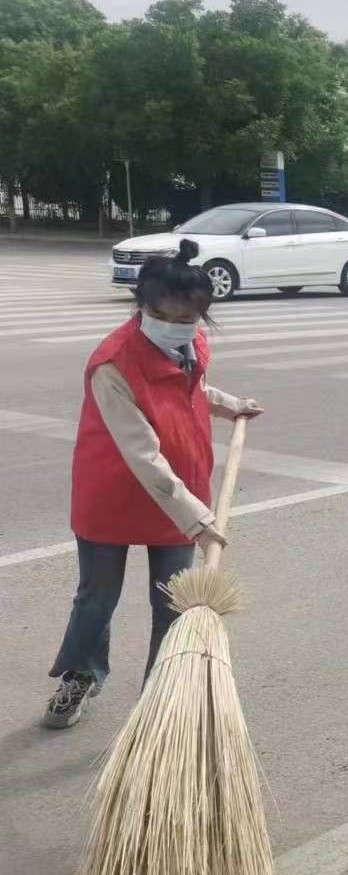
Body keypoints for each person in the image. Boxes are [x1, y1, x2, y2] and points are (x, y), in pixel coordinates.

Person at [43, 240, 263, 729]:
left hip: (180, 494)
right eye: (165, 316)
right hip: (115, 494)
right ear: (142, 305)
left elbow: (190, 389)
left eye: (188, 319)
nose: (177, 326)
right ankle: (81, 674)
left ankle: (159, 695)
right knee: (97, 596)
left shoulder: (191, 344)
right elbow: (141, 454)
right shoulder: (113, 363)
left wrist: (230, 405)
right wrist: (198, 520)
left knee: (172, 600)